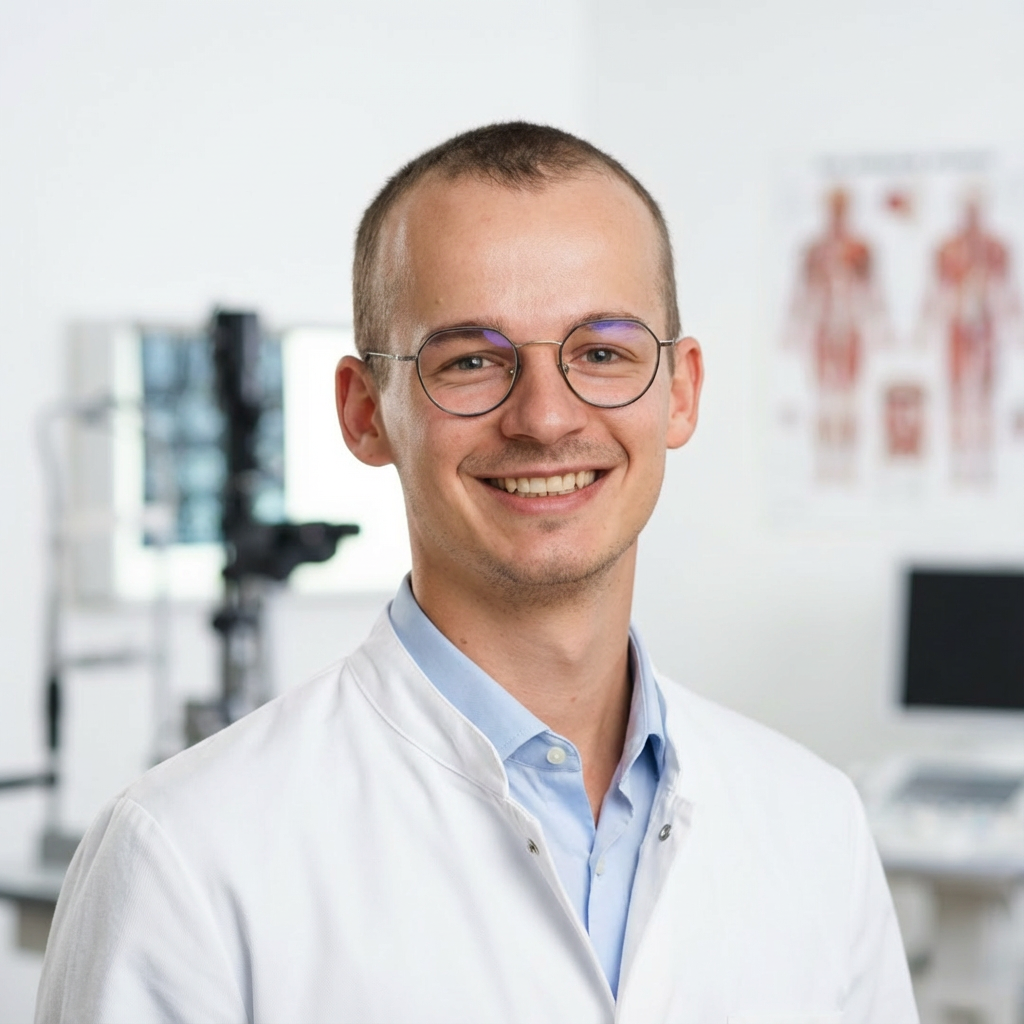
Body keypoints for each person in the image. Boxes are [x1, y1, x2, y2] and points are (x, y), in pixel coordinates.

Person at [36, 123, 918, 1023]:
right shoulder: (185, 858)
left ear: (680, 390)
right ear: (363, 411)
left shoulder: (814, 824)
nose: (544, 417)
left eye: (603, 351)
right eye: (470, 362)